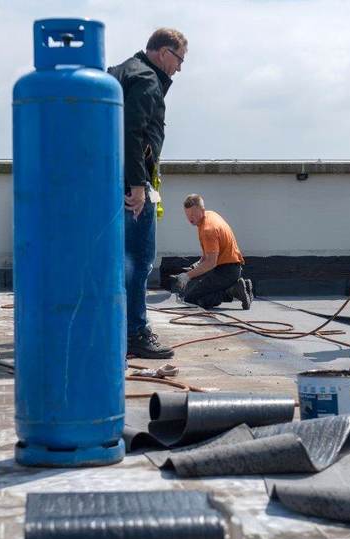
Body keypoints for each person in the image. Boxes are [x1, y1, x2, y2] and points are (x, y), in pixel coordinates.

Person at [108, 28, 188, 359]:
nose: (180, 69)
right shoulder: (146, 80)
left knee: (117, 262)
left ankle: (117, 328)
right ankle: (135, 332)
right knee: (138, 261)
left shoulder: (120, 72)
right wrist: (138, 186)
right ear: (164, 52)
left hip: (110, 181)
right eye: (180, 59)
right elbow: (135, 134)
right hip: (130, 187)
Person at [171, 194, 253, 310]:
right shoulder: (209, 215)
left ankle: (233, 291)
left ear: (202, 210)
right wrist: (198, 264)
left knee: (192, 299)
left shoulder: (208, 230)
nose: (191, 218)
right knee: (197, 286)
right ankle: (240, 286)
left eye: (193, 214)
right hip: (230, 266)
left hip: (226, 271)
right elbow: (211, 253)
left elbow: (211, 263)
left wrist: (187, 276)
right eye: (188, 214)